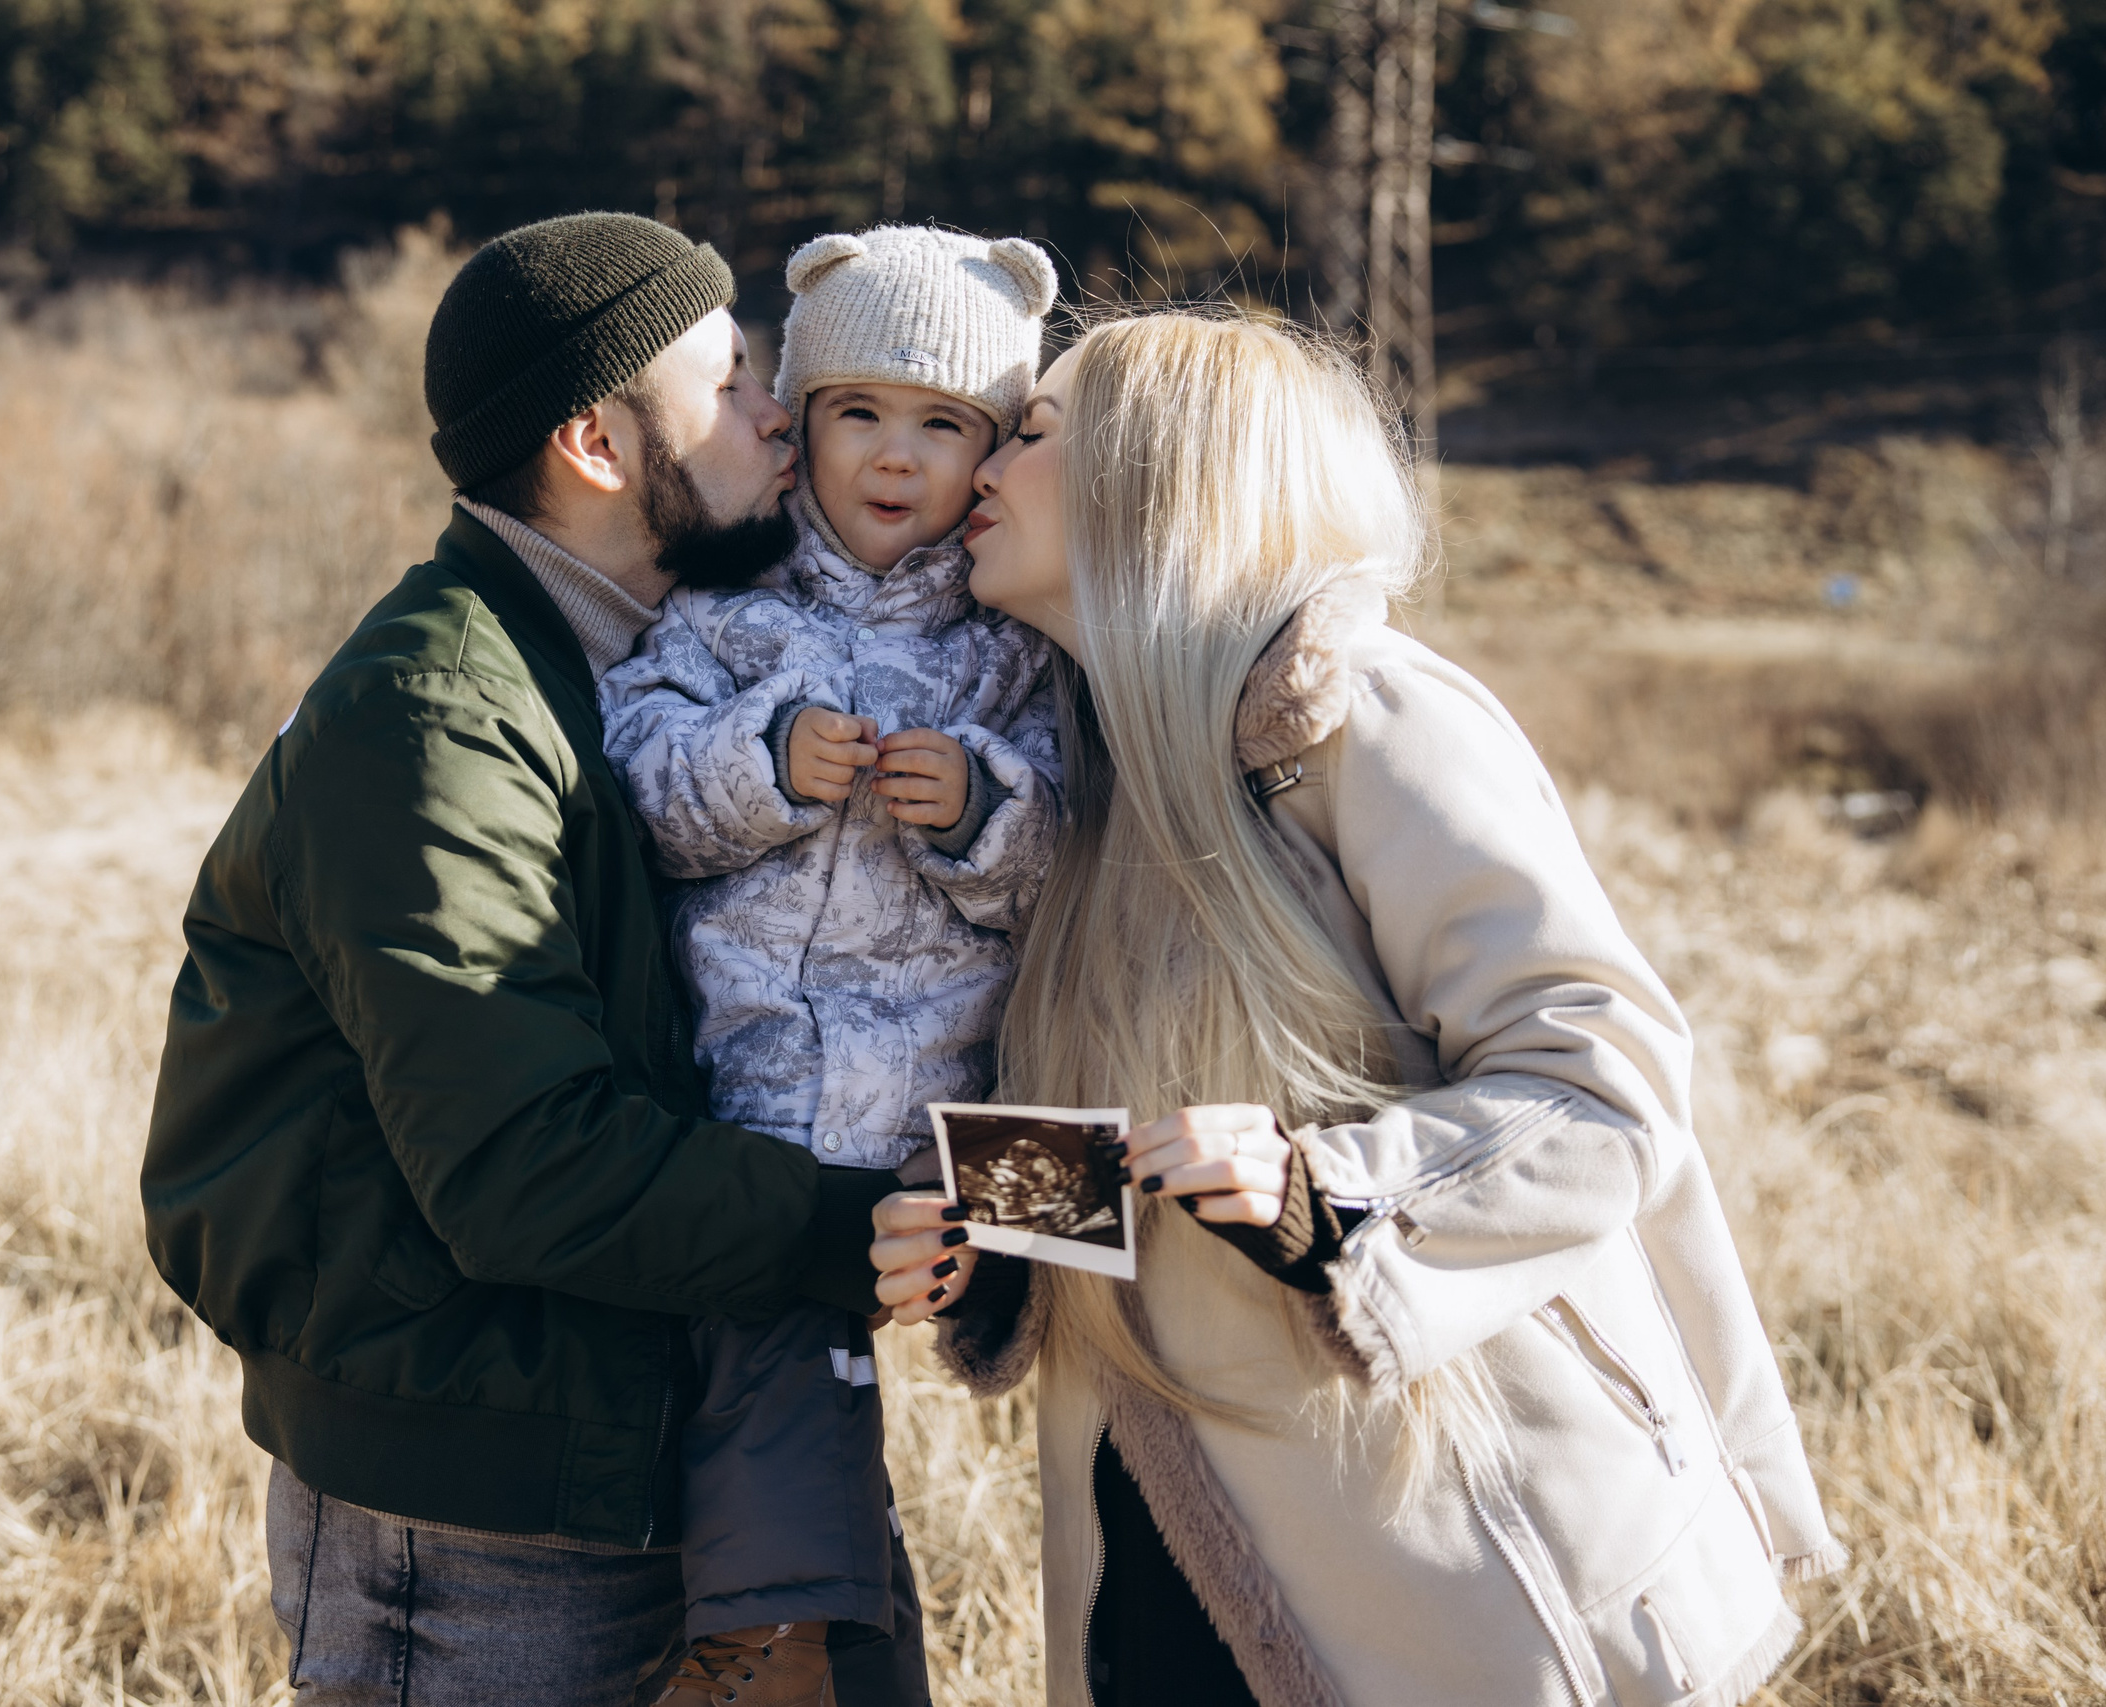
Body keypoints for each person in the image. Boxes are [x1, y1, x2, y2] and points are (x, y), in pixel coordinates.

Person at [869, 311, 1844, 1707]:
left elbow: (1605, 1084)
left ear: (1160, 474)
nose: (979, 466)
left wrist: (1329, 1189)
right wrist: (971, 1214)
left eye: (1031, 432)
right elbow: (1160, 1165)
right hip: (1165, 1552)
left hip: (1452, 1569)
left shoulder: (1368, 718)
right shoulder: (1087, 790)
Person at [140, 212, 903, 1707]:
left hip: (620, 1418)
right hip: (480, 1503)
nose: (779, 420)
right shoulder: (434, 719)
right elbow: (524, 1165)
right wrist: (846, 1224)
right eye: (735, 376)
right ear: (599, 445)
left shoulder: (633, 672)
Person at [599, 225, 1063, 1706]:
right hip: (761, 1106)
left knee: (1110, 1282)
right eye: (861, 412)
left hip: (957, 1120)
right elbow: (640, 788)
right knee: (785, 1363)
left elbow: (1073, 858)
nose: (896, 456)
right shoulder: (727, 615)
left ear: (989, 453)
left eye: (944, 425)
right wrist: (762, 766)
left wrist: (987, 809)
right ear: (797, 428)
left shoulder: (1013, 644)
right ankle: (775, 1649)